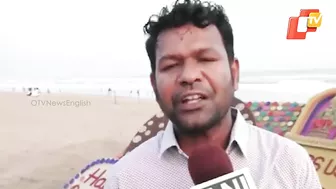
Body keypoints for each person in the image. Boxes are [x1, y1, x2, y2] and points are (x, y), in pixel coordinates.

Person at [104, 0, 322, 188]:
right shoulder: (124, 179)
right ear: (154, 85)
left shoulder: (289, 161)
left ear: (234, 73)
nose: (189, 76)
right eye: (171, 65)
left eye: (206, 59)